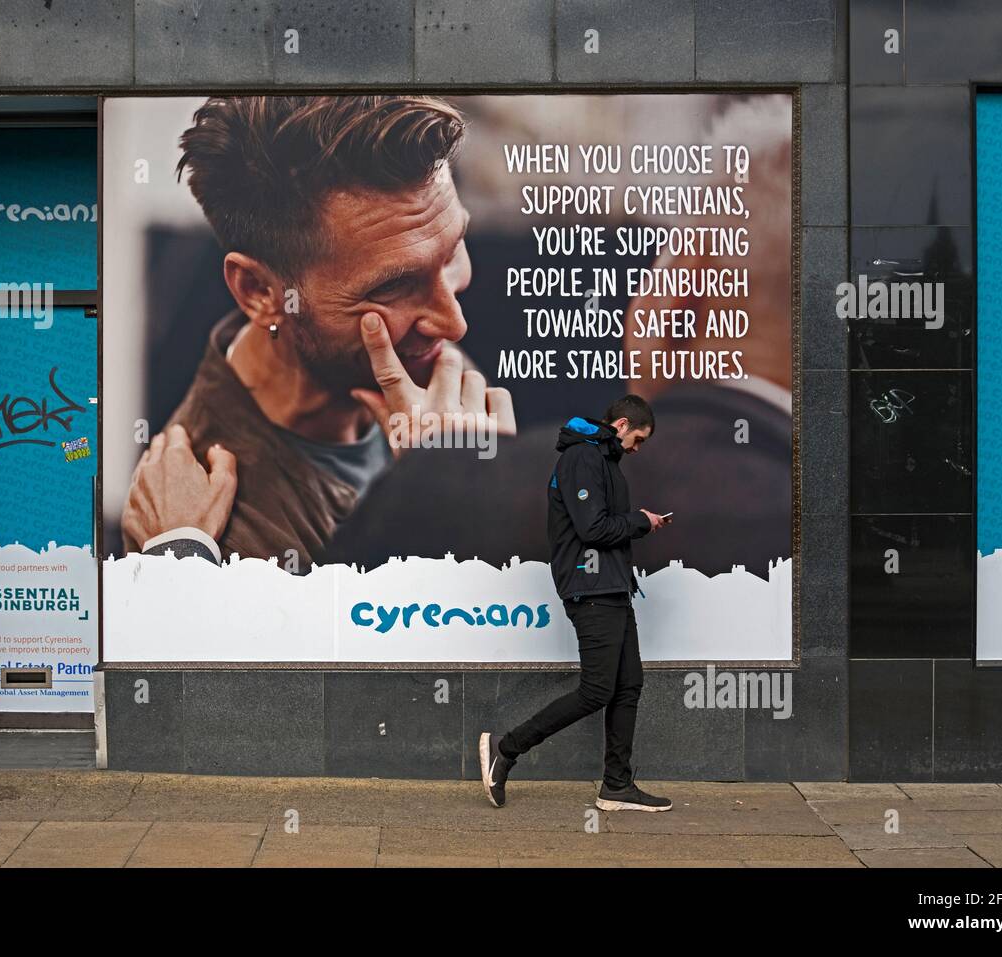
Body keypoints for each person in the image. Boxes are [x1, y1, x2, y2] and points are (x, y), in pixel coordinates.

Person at [120, 95, 514, 565]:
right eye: (394, 287)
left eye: (451, 252)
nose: (453, 322)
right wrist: (469, 511)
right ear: (259, 292)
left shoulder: (412, 360)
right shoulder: (232, 546)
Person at [479, 394, 673, 812]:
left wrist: (637, 521)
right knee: (598, 689)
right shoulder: (582, 458)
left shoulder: (602, 460)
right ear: (621, 425)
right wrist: (641, 521)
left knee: (628, 685)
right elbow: (592, 528)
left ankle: (616, 786)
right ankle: (507, 748)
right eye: (638, 439)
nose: (638, 449)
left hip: (612, 587)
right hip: (592, 588)